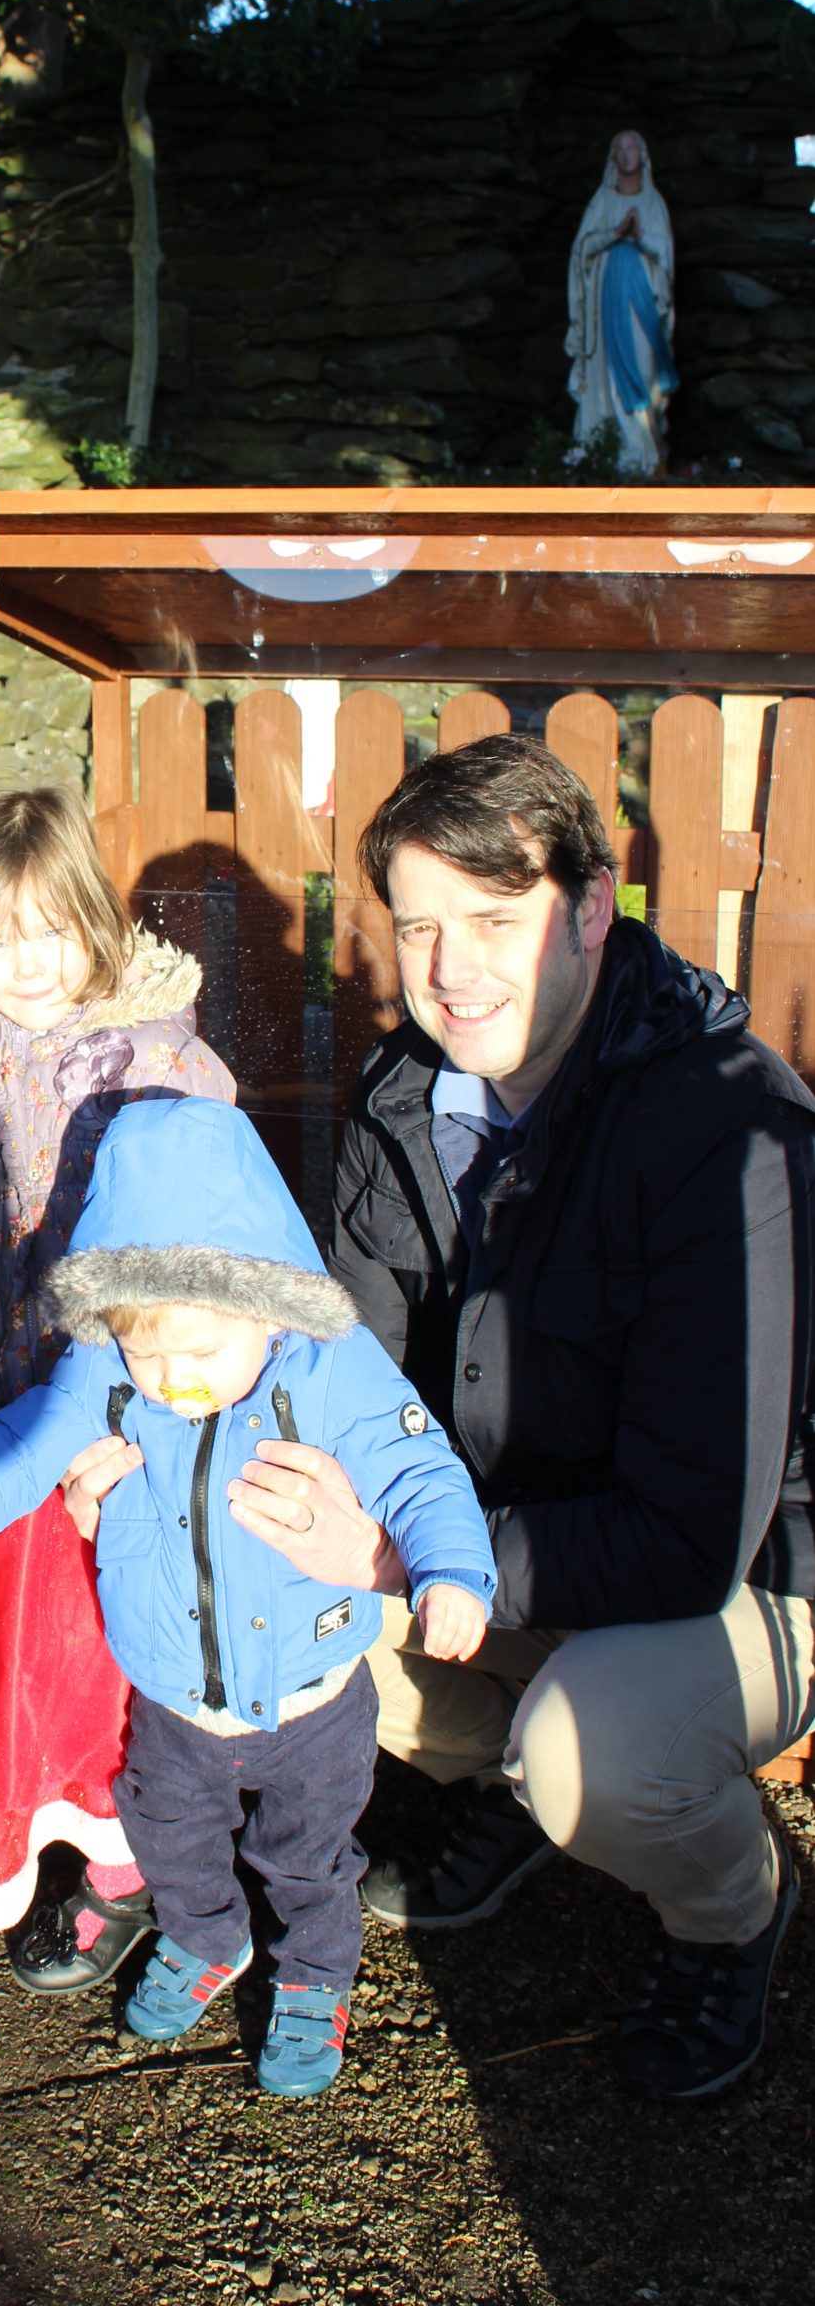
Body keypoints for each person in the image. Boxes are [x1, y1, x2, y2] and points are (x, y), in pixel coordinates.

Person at [232, 733, 814, 2102]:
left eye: (493, 918)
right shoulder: (400, 1097)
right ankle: (505, 1780)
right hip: (501, 1533)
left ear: (593, 908)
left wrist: (395, 1557)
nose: (448, 968)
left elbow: (683, 1544)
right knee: (240, 1575)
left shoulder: (729, 1131)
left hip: (744, 1575)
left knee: (592, 1747)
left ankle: (725, 1910)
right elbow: (344, 1370)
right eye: (417, 925)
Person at [0, 1097, 497, 2098]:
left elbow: (417, 1467)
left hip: (309, 1693)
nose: (173, 1382)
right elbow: (25, 1439)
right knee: (170, 1833)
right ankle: (206, 1935)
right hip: (172, 1693)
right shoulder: (108, 1371)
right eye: (149, 1354)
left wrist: (450, 1571)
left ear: (265, 1302)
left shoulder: (329, 1366)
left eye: (202, 1354)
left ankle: (313, 1978)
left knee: (309, 1855)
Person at [0, 786, 236, 1981]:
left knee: (107, 1638)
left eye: (50, 930)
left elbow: (205, 1257)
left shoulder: (163, 1062)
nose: (25, 962)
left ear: (96, 921)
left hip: (113, 1422)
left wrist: (164, 1408)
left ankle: (122, 1858)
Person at [565, 128, 677, 474]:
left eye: (634, 147)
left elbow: (667, 255)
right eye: (621, 149)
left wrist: (641, 237)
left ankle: (646, 448)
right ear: (614, 158)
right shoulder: (603, 201)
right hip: (608, 298)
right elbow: (582, 249)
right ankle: (614, 451)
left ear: (643, 154)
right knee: (609, 374)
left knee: (644, 369)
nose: (628, 154)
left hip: (642, 298)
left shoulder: (653, 202)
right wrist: (615, 233)